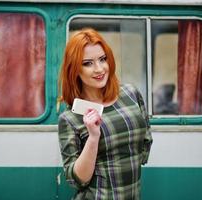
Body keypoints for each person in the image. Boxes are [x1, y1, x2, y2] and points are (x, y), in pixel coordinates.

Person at [58, 28, 153, 200]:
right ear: (74, 70)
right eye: (88, 63)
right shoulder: (70, 118)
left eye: (103, 59)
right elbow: (76, 180)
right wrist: (94, 137)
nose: (99, 69)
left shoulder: (131, 94)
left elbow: (145, 140)